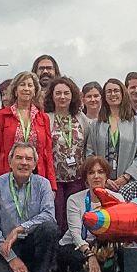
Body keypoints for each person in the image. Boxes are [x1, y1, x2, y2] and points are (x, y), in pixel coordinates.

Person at [0, 142, 58, 272]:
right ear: (10, 162)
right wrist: (12, 258)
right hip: (6, 246)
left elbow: (48, 215)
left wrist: (20, 229)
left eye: (28, 159)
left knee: (49, 228)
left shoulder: (43, 184)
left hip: (32, 242)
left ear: (34, 164)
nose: (23, 162)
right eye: (19, 158)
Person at [58, 156, 119, 272]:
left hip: (103, 245)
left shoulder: (118, 199)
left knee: (117, 249)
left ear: (107, 176)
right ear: (86, 178)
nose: (96, 176)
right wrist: (90, 255)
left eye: (100, 172)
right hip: (76, 245)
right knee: (76, 258)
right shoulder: (74, 200)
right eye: (91, 173)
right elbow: (75, 235)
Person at [0, 71, 53, 186]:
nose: (26, 88)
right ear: (15, 90)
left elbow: (48, 153)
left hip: (36, 176)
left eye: (30, 85)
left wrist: (52, 185)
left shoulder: (43, 118)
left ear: (35, 91)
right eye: (22, 85)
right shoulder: (2, 115)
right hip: (7, 176)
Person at [85, 78, 137, 189]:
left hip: (129, 184)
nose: (112, 94)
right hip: (102, 184)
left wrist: (126, 177)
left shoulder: (136, 122)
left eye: (116, 90)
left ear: (122, 93)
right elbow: (90, 153)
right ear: (104, 96)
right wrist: (103, 178)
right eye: (109, 91)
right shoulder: (96, 124)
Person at [47, 76, 88, 219]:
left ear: (73, 95)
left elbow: (87, 146)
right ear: (52, 96)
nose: (62, 97)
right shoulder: (47, 118)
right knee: (57, 215)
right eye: (58, 93)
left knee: (75, 216)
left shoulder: (81, 118)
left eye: (66, 93)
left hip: (77, 179)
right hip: (55, 180)